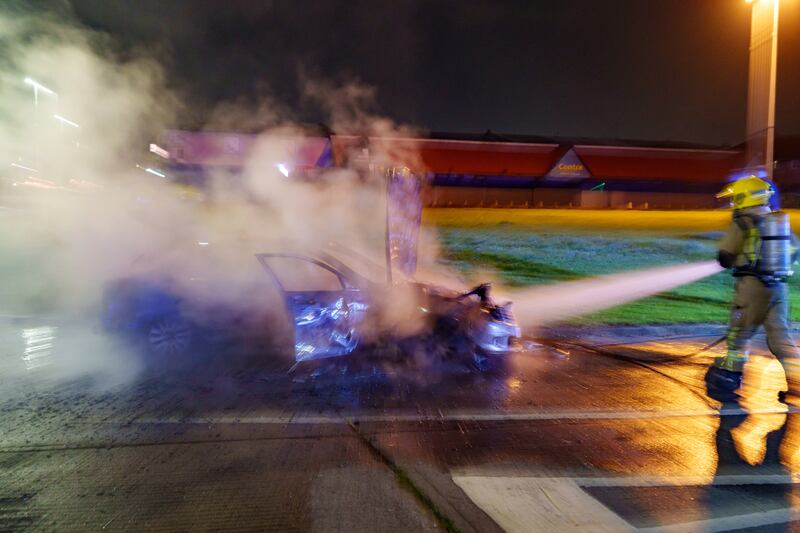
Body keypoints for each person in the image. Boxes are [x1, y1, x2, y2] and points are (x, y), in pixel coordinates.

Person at [705, 176, 800, 400]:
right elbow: (795, 252)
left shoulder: (743, 223)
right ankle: (796, 383)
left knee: (740, 334)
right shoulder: (779, 221)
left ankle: (729, 377)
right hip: (778, 289)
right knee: (780, 337)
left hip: (751, 288)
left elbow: (725, 257)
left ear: (742, 197)